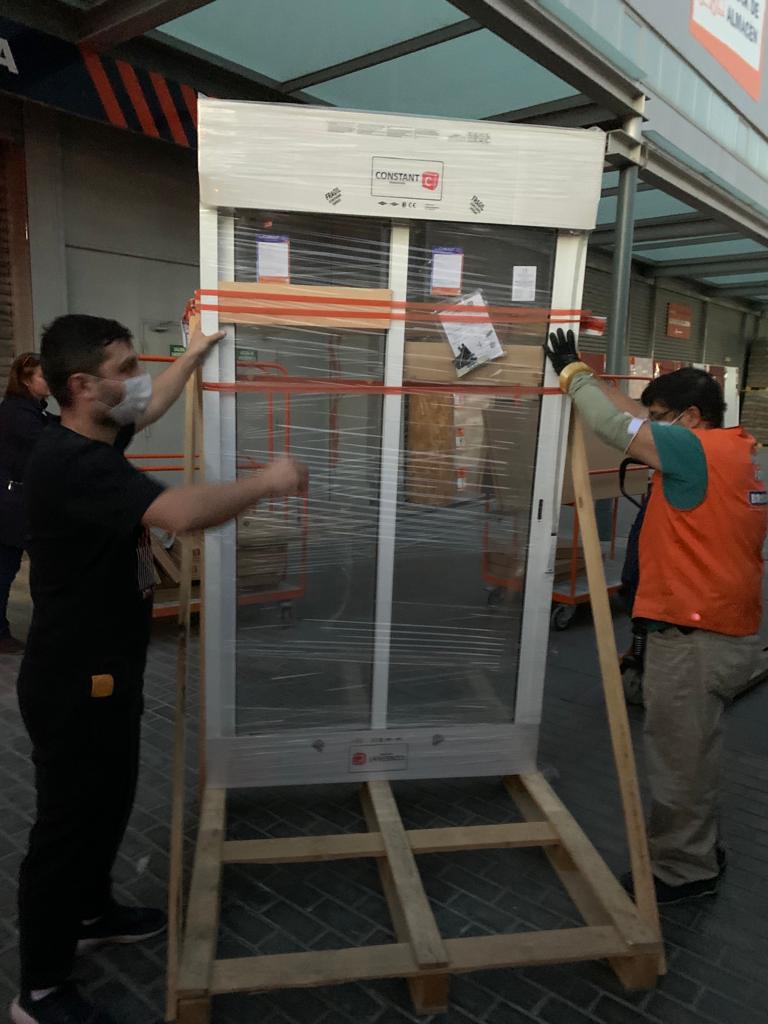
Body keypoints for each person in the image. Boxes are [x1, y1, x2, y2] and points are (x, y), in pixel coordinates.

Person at [13, 314, 308, 1024]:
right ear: (82, 387)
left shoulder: (97, 433)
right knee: (66, 828)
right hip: (73, 681)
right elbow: (177, 512)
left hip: (108, 669)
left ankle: (93, 914)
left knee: (109, 801)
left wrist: (196, 352)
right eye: (124, 368)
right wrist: (265, 482)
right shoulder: (73, 464)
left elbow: (150, 405)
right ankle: (40, 991)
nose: (138, 379)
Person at [547, 329, 766, 905]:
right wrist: (590, 376)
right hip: (723, 629)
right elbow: (634, 417)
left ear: (691, 417)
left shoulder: (693, 451)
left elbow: (611, 426)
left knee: (679, 763)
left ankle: (684, 870)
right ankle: (698, 845)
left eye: (662, 418)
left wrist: (572, 376)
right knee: (694, 752)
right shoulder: (736, 450)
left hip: (693, 640)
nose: (652, 428)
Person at [0, 353, 53, 654]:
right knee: (7, 570)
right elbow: (48, 442)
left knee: (12, 569)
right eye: (44, 376)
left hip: (17, 503)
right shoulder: (17, 413)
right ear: (25, 380)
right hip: (12, 505)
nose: (50, 381)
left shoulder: (32, 411)